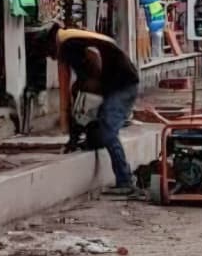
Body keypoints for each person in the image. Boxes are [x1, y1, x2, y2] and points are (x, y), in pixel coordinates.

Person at [45, 24, 138, 195]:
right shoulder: (70, 37)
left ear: (51, 43)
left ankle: (125, 180)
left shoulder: (68, 44)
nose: (52, 58)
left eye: (50, 54)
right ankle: (91, 141)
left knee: (109, 129)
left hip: (122, 85)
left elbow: (93, 57)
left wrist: (89, 88)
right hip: (117, 82)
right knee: (96, 121)